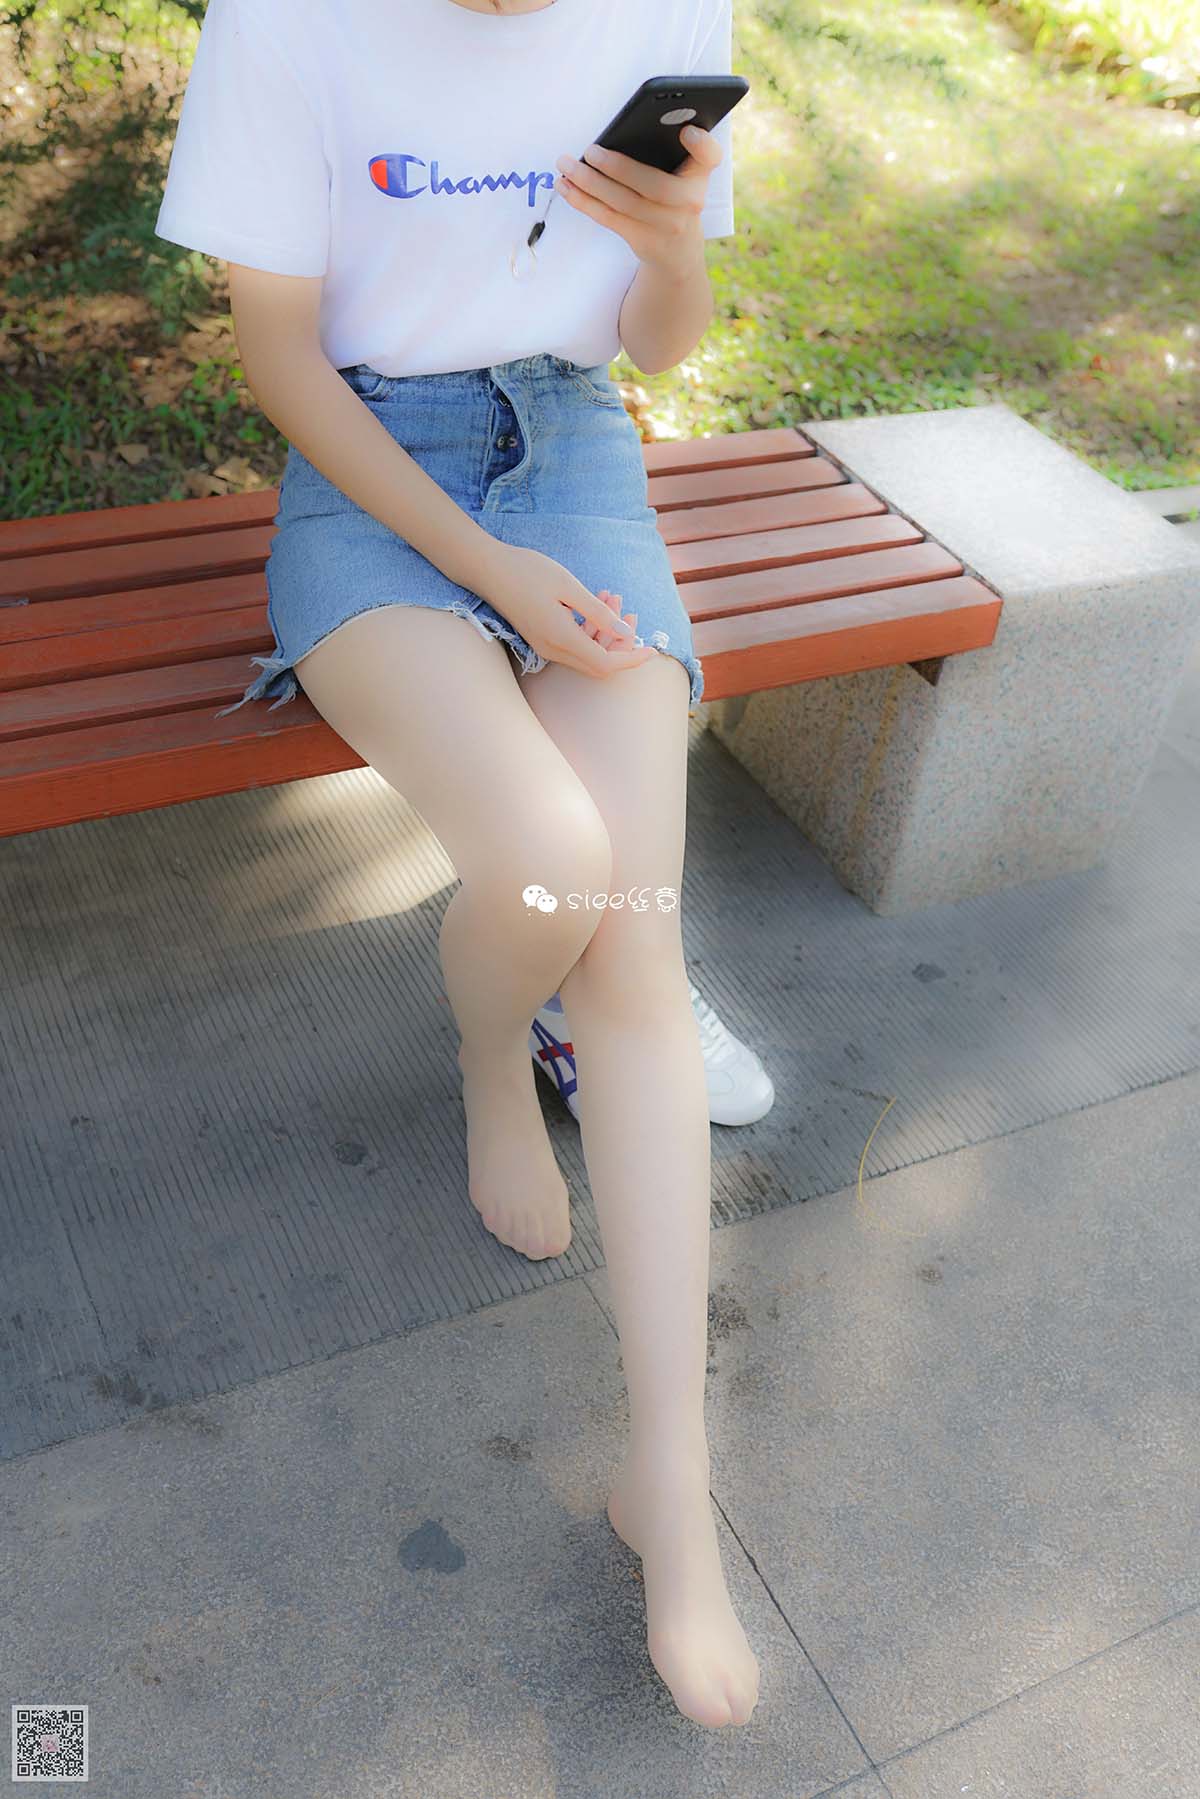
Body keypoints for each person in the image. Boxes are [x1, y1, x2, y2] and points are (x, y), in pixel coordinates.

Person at [155, 0, 760, 1728]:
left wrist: (669, 246)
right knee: (555, 863)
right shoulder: (286, 22)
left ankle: (671, 1486)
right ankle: (497, 1053)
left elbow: (656, 350)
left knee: (630, 939)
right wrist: (492, 576)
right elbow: (281, 361)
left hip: (575, 451)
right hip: (369, 474)